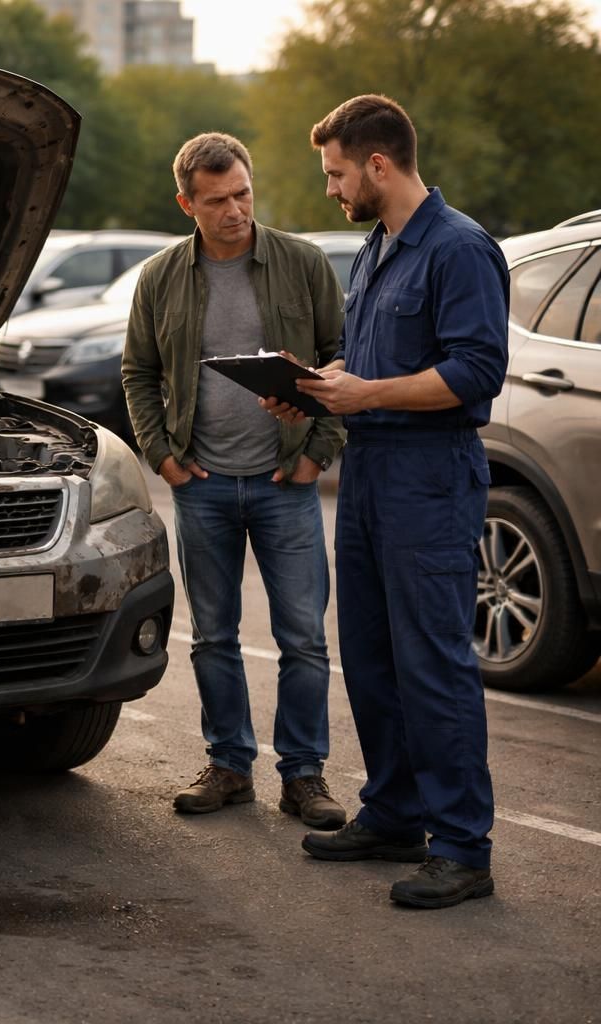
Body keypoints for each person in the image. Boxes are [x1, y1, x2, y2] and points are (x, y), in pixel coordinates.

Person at [281, 95, 509, 909]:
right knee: (373, 656)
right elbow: (369, 372)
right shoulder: (376, 248)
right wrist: (313, 394)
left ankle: (462, 848)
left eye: (337, 173)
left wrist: (367, 392)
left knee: (433, 662)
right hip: (371, 469)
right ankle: (394, 813)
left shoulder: (459, 249)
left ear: (378, 164)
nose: (332, 190)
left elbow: (477, 371)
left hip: (430, 477)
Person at [121, 132, 347, 829]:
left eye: (243, 194)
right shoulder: (161, 276)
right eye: (216, 200)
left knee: (303, 638)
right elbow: (139, 371)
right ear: (187, 202)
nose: (234, 211)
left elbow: (344, 358)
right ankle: (228, 766)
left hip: (286, 480)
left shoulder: (302, 263)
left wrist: (318, 452)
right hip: (204, 485)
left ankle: (305, 777)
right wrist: (162, 457)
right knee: (213, 636)